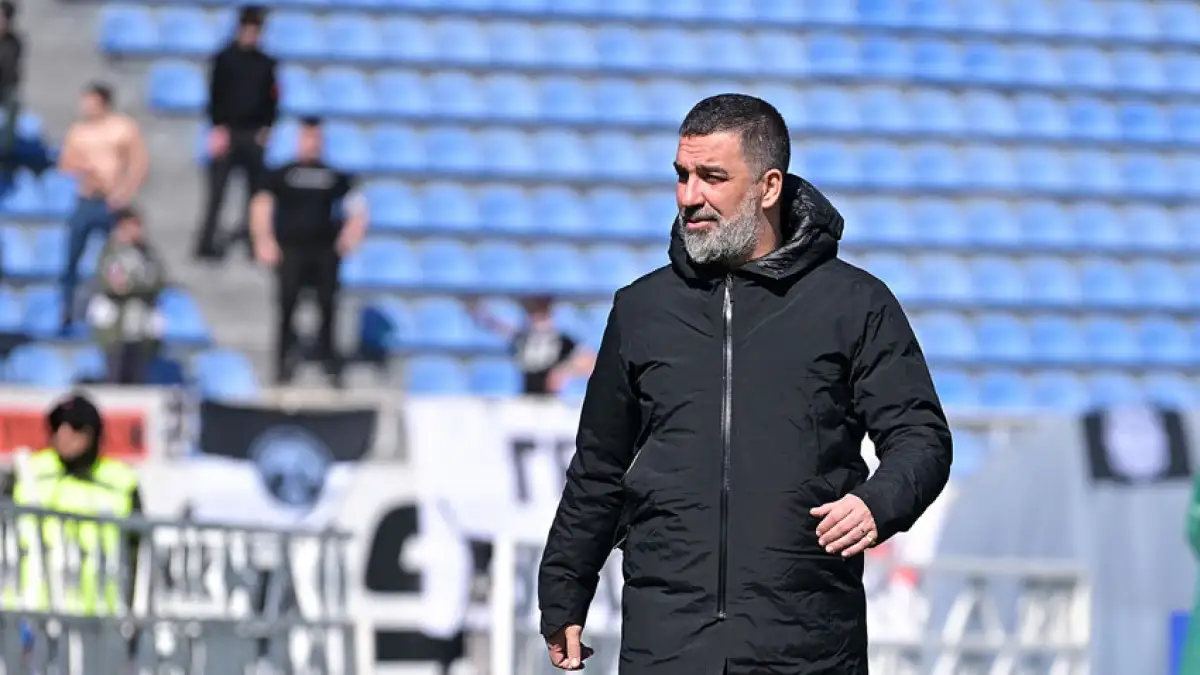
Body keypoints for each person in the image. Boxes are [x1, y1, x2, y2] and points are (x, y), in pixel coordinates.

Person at [537, 94, 953, 675]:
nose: (689, 196)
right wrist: (564, 589)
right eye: (682, 176)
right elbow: (599, 468)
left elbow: (921, 437)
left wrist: (876, 503)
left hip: (807, 645)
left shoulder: (854, 303)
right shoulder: (641, 309)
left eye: (712, 177)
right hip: (667, 643)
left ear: (768, 186)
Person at [249, 116, 367, 387]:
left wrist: (349, 238)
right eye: (307, 137)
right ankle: (283, 364)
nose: (311, 143)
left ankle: (329, 363)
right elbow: (261, 204)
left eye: (316, 138)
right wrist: (263, 240)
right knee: (287, 307)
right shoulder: (282, 174)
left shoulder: (334, 176)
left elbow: (357, 207)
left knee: (327, 307)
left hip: (324, 252)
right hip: (291, 250)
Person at [0, 393, 143, 617]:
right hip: (31, 612)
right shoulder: (27, 473)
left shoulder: (121, 480)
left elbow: (139, 555)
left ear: (93, 433)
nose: (63, 433)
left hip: (99, 613)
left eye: (75, 426)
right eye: (57, 425)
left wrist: (132, 615)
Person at [57, 83, 148, 332]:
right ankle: (67, 309)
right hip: (86, 199)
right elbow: (65, 163)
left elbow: (138, 162)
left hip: (112, 201)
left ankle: (121, 308)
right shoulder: (78, 132)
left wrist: (124, 192)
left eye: (90, 101)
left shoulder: (122, 128)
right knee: (72, 255)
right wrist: (85, 168)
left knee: (119, 257)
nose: (85, 106)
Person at [195, 4, 277, 261]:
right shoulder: (224, 59)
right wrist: (217, 128)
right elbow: (215, 96)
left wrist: (267, 127)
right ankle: (206, 244)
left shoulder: (265, 63)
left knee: (255, 194)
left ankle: (254, 242)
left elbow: (272, 98)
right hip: (228, 132)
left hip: (254, 134)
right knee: (217, 193)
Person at [86, 207, 166, 384]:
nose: (138, 231)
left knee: (137, 375)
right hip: (115, 326)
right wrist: (129, 286)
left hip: (140, 324)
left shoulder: (148, 253)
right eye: (132, 226)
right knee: (115, 373)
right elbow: (109, 284)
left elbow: (157, 281)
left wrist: (131, 286)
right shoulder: (110, 252)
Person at [473, 296, 595, 395]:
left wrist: (564, 370)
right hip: (527, 401)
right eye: (534, 314)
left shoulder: (562, 340)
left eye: (541, 314)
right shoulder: (523, 339)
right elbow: (498, 326)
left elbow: (592, 363)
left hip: (552, 403)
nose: (537, 320)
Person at [0, 0, 22, 183]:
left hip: (4, 89)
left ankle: (5, 154)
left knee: (13, 103)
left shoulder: (14, 42)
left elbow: (12, 73)